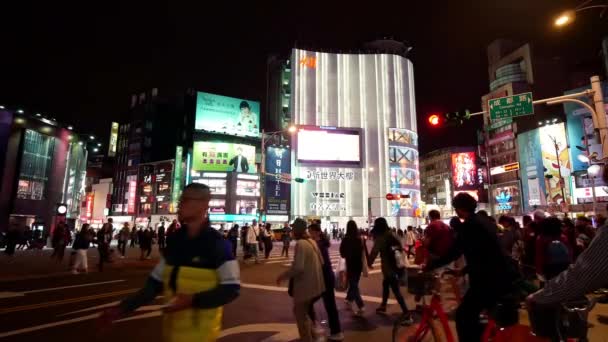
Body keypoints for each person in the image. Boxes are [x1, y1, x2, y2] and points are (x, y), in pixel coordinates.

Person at [99, 183, 240, 341]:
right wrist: (121, 309)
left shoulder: (218, 244)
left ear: (203, 204)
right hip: (171, 333)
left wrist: (193, 300)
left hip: (201, 336)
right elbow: (154, 284)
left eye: (185, 200)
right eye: (181, 200)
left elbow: (232, 289)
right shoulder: (175, 240)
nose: (180, 204)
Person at [425, 193, 519, 342]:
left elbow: (455, 251)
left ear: (460, 209)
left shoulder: (470, 225)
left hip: (488, 280)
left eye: (456, 208)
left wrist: (431, 265)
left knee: (463, 316)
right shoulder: (484, 221)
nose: (456, 211)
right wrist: (463, 270)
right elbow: (484, 252)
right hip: (500, 275)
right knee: (476, 316)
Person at [276, 218, 325, 342]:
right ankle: (314, 334)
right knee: (303, 312)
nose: (291, 231)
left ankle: (307, 338)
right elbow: (322, 262)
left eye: (293, 229)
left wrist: (282, 276)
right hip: (316, 285)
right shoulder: (312, 242)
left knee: (300, 315)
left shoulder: (301, 244)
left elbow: (298, 268)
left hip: (305, 288)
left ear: (297, 230)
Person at [368, 217, 413, 325]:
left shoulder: (381, 237)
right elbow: (401, 247)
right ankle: (383, 305)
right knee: (385, 284)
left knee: (396, 291)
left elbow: (374, 252)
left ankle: (407, 314)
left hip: (389, 268)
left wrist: (369, 263)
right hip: (397, 265)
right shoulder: (392, 234)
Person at [308, 223, 343, 340]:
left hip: (324, 280)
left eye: (311, 231)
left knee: (310, 303)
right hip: (325, 278)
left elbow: (321, 264)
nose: (309, 234)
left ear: (317, 232)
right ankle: (335, 331)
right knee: (329, 306)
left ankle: (320, 328)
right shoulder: (320, 243)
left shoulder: (319, 245)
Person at [339, 220, 366, 316]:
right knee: (354, 283)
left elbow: (342, 253)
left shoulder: (346, 239)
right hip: (358, 265)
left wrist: (347, 254)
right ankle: (349, 300)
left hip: (350, 265)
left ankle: (361, 306)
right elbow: (364, 251)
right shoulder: (360, 239)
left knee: (354, 285)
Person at [535, 216, 571, 283]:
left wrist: (539, 270)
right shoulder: (563, 237)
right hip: (564, 265)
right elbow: (569, 252)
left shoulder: (541, 238)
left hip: (549, 267)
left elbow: (539, 255)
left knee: (550, 287)